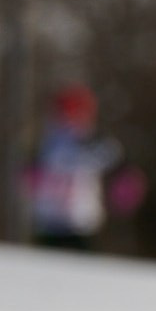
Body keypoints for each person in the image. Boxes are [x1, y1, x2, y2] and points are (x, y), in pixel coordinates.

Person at [26, 84, 128, 250]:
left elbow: (117, 164)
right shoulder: (48, 144)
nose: (68, 118)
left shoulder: (95, 141)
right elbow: (32, 169)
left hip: (81, 220)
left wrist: (124, 186)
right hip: (49, 219)